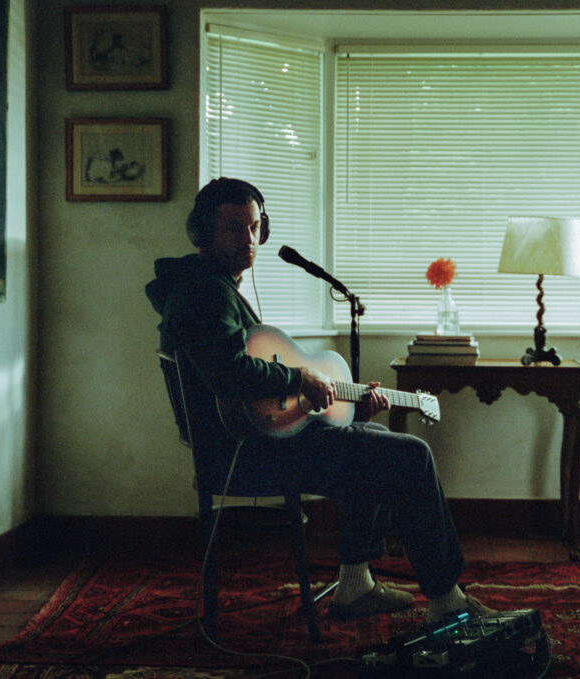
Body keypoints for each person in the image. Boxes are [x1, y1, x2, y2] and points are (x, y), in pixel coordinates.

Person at [145, 177, 494, 623]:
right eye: (234, 228)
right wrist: (300, 376)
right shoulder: (205, 292)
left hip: (248, 444)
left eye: (254, 227)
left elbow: (251, 386)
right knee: (410, 454)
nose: (249, 239)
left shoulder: (207, 285)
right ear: (202, 232)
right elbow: (228, 372)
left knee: (370, 438)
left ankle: (355, 585)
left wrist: (338, 400)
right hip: (243, 456)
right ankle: (447, 601)